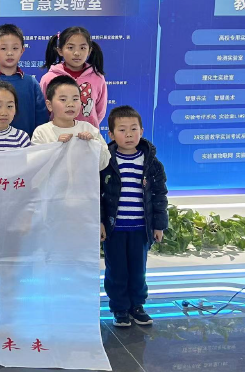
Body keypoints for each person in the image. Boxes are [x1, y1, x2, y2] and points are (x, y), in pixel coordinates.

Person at [100, 105, 168, 327]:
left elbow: (159, 195)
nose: (128, 134)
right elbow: (97, 195)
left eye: (133, 129)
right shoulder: (105, 162)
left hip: (141, 229)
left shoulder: (152, 164)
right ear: (111, 134)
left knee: (139, 271)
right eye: (122, 130)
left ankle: (137, 306)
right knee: (116, 271)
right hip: (115, 229)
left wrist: (158, 225)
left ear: (142, 131)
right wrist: (100, 222)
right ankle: (119, 308)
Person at [0, 24, 47, 137]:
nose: (9, 53)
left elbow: (41, 118)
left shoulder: (31, 83)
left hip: (26, 145)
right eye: (3, 48)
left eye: (15, 48)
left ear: (22, 50)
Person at [31, 76, 110, 170]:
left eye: (75, 99)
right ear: (49, 105)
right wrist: (56, 146)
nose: (70, 104)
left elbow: (103, 163)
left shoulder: (89, 129)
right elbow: (36, 166)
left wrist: (93, 144)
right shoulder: (42, 132)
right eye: (63, 100)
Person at [39, 26, 107, 129]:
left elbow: (100, 111)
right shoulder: (49, 78)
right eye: (70, 48)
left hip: (87, 134)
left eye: (82, 48)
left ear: (89, 51)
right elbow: (43, 110)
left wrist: (89, 128)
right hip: (57, 134)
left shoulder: (98, 78)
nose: (77, 53)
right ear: (60, 50)